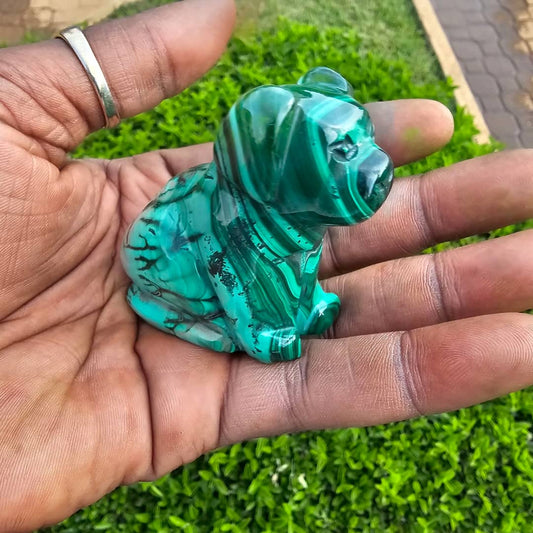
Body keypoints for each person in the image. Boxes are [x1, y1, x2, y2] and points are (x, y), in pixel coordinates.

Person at [0, 0, 532, 530]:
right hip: (168, 269)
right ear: (278, 173)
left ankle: (298, 307)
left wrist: (308, 294)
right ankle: (243, 325)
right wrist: (260, 333)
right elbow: (235, 278)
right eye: (341, 154)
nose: (374, 163)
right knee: (239, 282)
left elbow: (298, 258)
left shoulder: (288, 218)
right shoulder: (235, 224)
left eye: (362, 141)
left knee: (289, 265)